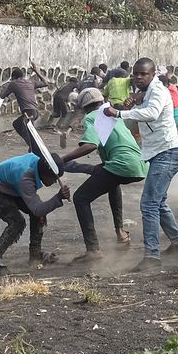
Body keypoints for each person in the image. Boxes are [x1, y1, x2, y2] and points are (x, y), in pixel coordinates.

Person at [104, 57, 178, 271]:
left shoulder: (158, 91)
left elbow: (152, 114)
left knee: (149, 203)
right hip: (160, 153)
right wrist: (130, 106)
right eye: (136, 73)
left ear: (152, 75)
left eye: (143, 74)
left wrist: (119, 112)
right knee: (158, 202)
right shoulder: (146, 94)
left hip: (168, 152)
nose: (139, 77)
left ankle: (152, 257)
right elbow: (137, 119)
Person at [63, 88, 147, 261]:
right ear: (102, 101)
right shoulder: (114, 114)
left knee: (80, 198)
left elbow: (90, 145)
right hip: (139, 164)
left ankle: (93, 250)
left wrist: (63, 159)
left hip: (121, 164)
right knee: (110, 180)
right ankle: (121, 232)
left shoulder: (92, 117)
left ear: (84, 107)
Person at [0, 152, 69, 274]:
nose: (55, 182)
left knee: (40, 216)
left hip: (9, 188)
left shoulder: (39, 163)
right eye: (54, 178)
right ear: (44, 173)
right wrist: (58, 197)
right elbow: (37, 209)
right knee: (17, 222)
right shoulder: (25, 177)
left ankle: (35, 255)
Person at [0, 62, 48, 149]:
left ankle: (34, 146)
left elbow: (2, 96)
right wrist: (36, 71)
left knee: (29, 131)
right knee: (17, 124)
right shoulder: (30, 82)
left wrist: (10, 87)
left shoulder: (14, 83)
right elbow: (45, 83)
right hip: (35, 111)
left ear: (13, 77)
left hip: (28, 112)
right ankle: (32, 145)